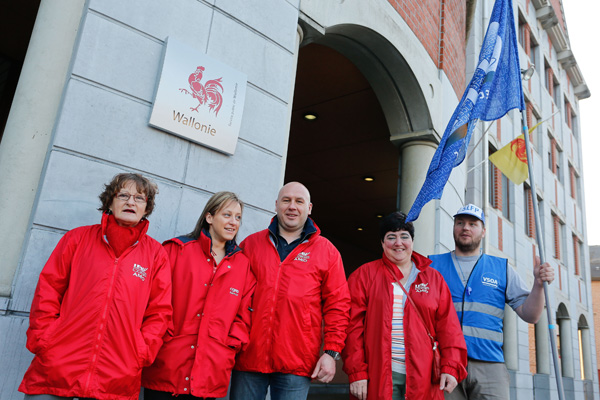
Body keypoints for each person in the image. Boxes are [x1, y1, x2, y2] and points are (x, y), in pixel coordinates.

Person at [19, 173, 172, 400]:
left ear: (146, 208)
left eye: (139, 198)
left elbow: (159, 312)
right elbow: (48, 290)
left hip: (117, 374)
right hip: (57, 365)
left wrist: (142, 352)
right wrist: (45, 339)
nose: (131, 202)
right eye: (123, 195)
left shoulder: (156, 255)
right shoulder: (77, 239)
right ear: (110, 201)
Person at [229, 181, 351, 400]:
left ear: (309, 208)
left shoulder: (327, 252)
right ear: (276, 205)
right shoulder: (251, 245)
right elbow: (231, 295)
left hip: (296, 361)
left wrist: (331, 352)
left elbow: (338, 306)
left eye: (299, 201)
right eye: (286, 200)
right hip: (248, 355)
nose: (292, 206)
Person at [429, 204, 555, 400]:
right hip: (443, 363)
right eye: (460, 223)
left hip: (489, 366)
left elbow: (531, 315)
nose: (466, 228)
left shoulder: (501, 268)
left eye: (473, 223)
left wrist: (538, 285)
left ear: (484, 231)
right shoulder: (431, 266)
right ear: (453, 227)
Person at [142, 191, 256, 400]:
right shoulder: (176, 250)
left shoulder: (243, 265)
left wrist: (229, 346)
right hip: (167, 365)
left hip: (211, 371)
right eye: (227, 215)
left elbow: (243, 317)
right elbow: (153, 302)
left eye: (238, 217)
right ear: (209, 217)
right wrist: (163, 337)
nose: (233, 222)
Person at [343, 212, 468, 400]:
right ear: (382, 243)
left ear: (412, 241)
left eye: (404, 236)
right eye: (391, 237)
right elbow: (351, 328)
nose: (398, 243)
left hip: (424, 376)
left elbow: (449, 328)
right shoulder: (364, 275)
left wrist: (451, 366)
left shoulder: (433, 279)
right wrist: (357, 371)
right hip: (378, 375)